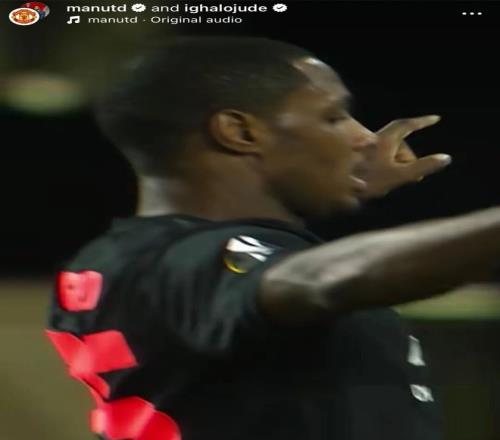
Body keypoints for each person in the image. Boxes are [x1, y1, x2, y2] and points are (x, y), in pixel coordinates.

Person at [45, 36, 497, 440]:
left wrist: (338, 179)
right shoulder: (180, 258)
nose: (364, 137)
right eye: (334, 117)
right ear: (240, 132)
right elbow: (318, 281)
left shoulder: (129, 258)